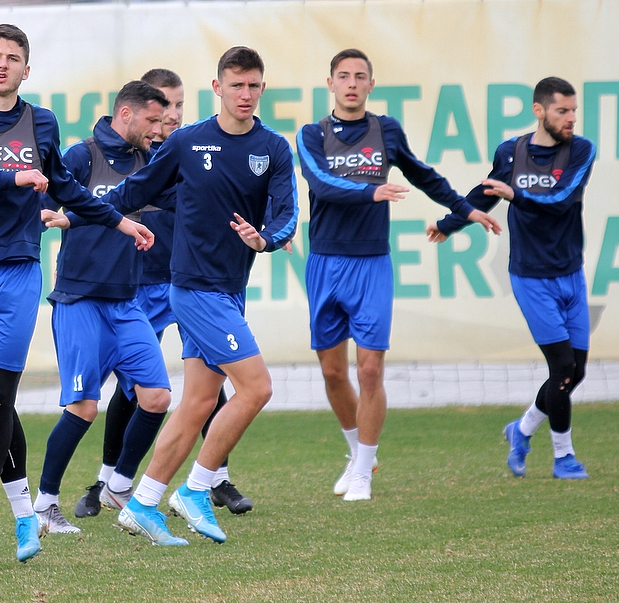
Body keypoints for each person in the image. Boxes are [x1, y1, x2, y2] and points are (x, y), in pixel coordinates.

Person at [0, 23, 152, 567]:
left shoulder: (42, 123)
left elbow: (67, 188)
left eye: (13, 58)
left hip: (18, 272)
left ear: (26, 70)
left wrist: (119, 220)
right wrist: (11, 178)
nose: (3, 64)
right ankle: (27, 515)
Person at [81, 47, 298, 546]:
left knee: (198, 402)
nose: (245, 94)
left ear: (262, 89)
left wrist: (264, 239)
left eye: (254, 85)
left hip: (230, 289)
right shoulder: (187, 142)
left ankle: (142, 502)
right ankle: (197, 488)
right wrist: (75, 213)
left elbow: (287, 214)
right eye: (236, 84)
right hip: (196, 289)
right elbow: (132, 192)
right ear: (217, 87)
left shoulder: (273, 148)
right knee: (257, 389)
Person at [296, 49, 500, 502]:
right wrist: (370, 192)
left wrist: (464, 210)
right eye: (343, 76)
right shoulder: (311, 134)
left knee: (370, 370)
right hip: (325, 262)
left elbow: (424, 175)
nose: (352, 83)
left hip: (371, 262)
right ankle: (358, 454)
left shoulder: (386, 130)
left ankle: (363, 474)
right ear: (330, 83)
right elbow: (321, 185)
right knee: (333, 372)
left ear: (371, 84)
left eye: (360, 76)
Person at [73, 68, 253, 520]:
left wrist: (267, 226)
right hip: (140, 279)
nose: (171, 115)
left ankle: (216, 478)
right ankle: (109, 480)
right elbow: (100, 204)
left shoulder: (195, 149)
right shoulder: (130, 152)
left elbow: (230, 197)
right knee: (133, 385)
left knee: (211, 377)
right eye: (164, 107)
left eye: (178, 105)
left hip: (191, 279)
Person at [427, 77, 595, 481]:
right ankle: (563, 457)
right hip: (531, 277)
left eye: (573, 110)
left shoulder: (580, 150)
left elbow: (560, 201)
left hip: (571, 274)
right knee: (562, 366)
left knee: (576, 371)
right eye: (562, 111)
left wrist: (515, 195)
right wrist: (450, 223)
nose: (571, 118)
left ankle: (521, 430)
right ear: (539, 111)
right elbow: (486, 192)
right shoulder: (512, 152)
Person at [32, 81, 171, 535]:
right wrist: (49, 221)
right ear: (126, 114)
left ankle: (118, 486)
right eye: (152, 120)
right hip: (80, 301)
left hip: (127, 302)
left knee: (157, 397)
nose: (158, 129)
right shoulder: (81, 156)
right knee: (84, 408)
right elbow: (43, 210)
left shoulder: (150, 162)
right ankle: (44, 505)